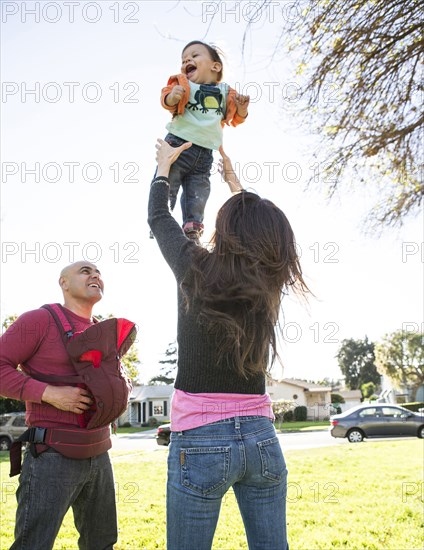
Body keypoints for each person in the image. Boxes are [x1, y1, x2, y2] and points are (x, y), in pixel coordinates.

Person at [148, 139, 310, 550]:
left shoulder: (194, 266)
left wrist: (164, 170)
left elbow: (157, 217)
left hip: (200, 440)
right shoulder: (268, 284)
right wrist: (236, 185)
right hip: (261, 440)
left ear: (227, 230)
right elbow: (261, 232)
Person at [0, 261, 133, 550]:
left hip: (100, 456)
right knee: (33, 545)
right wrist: (49, 393)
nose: (95, 274)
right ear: (63, 283)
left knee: (102, 543)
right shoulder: (39, 320)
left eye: (98, 272)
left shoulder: (103, 331)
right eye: (85, 271)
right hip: (52, 456)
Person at [158, 40, 250, 241]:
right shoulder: (183, 84)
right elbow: (166, 100)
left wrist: (242, 109)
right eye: (183, 60)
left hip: (205, 153)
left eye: (194, 55)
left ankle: (193, 227)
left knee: (199, 191)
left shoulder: (227, 93)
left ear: (215, 67)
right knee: (169, 183)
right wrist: (173, 96)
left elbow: (236, 119)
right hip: (178, 146)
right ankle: (161, 219)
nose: (187, 61)